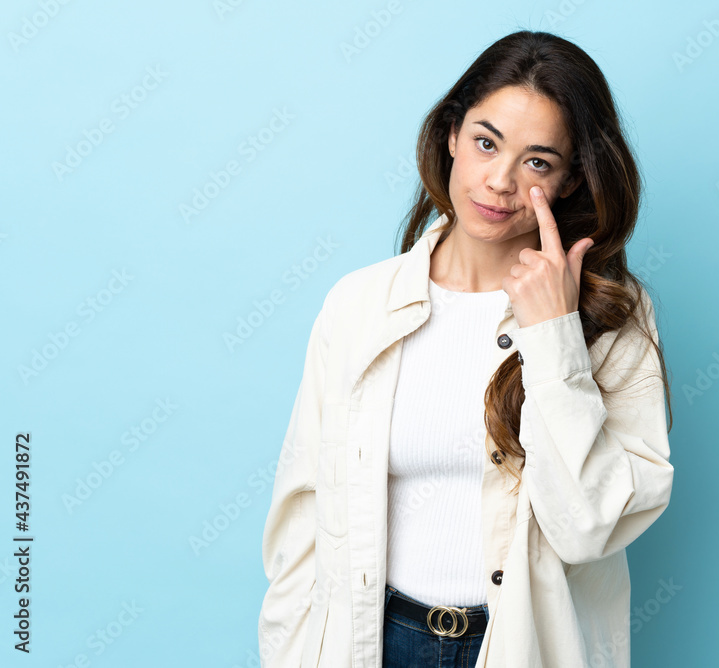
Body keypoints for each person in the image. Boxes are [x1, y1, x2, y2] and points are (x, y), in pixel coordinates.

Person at [258, 29, 675, 668]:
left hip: (522, 647)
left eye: (538, 162)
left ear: (570, 180)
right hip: (375, 643)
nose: (500, 181)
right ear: (452, 135)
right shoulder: (358, 305)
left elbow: (589, 526)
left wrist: (554, 335)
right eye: (486, 143)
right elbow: (301, 519)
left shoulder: (611, 315)